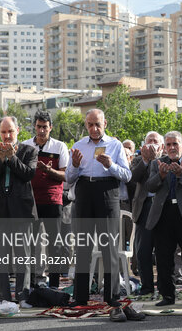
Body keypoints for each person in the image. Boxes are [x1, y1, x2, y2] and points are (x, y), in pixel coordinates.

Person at [65, 109, 142, 322]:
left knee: (109, 246)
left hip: (107, 191)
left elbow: (127, 175)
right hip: (84, 191)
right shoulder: (79, 145)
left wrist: (111, 165)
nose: (94, 128)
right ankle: (80, 296)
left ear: (105, 123)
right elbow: (69, 178)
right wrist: (76, 165)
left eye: (97, 124)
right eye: (90, 124)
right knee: (83, 245)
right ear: (86, 125)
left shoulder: (115, 145)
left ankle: (112, 296)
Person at [145, 131, 182, 307]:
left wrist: (181, 175)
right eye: (168, 144)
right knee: (163, 259)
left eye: (175, 144)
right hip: (163, 215)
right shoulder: (158, 163)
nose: (172, 148)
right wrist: (161, 176)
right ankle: (167, 296)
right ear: (164, 146)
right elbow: (150, 186)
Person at [0, 116, 38, 305]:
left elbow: (28, 173)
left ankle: (22, 296)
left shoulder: (29, 151)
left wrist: (11, 157)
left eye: (10, 131)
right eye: (3, 132)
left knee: (23, 256)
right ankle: (3, 297)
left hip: (21, 211)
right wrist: (0, 158)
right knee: (0, 257)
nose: (7, 136)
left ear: (18, 131)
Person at [22, 110, 69, 289]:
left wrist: (48, 171)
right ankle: (33, 284)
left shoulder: (59, 147)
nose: (42, 131)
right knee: (31, 244)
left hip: (52, 200)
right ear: (34, 126)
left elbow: (66, 175)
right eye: (39, 127)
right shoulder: (25, 146)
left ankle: (55, 285)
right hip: (30, 201)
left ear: (51, 128)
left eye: (45, 127)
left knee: (54, 245)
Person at [130, 131, 164, 296]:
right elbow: (133, 177)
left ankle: (164, 286)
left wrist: (155, 159)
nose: (152, 143)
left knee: (163, 248)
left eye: (155, 141)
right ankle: (147, 287)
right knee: (143, 249)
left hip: (163, 207)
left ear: (161, 146)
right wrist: (145, 160)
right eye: (149, 141)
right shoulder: (138, 160)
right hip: (144, 208)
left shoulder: (165, 160)